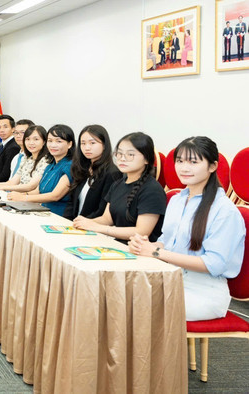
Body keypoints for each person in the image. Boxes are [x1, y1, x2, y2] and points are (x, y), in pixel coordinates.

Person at [128, 136, 246, 321]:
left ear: (212, 166)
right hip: (172, 279)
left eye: (193, 162)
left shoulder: (224, 210)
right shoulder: (177, 200)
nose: (184, 167)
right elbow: (167, 242)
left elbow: (213, 264)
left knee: (138, 309)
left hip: (205, 293)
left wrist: (156, 253)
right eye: (180, 161)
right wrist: (146, 245)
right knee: (119, 297)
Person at [74, 132, 165, 242]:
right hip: (117, 246)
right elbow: (107, 219)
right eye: (119, 154)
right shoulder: (117, 184)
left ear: (146, 159)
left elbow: (142, 232)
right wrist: (86, 222)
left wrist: (99, 228)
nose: (122, 158)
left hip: (139, 252)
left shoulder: (152, 190)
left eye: (130, 155)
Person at [7, 124, 75, 216]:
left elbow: (55, 196)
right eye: (50, 141)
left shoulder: (70, 166)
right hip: (42, 211)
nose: (53, 145)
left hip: (59, 215)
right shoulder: (50, 165)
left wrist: (23, 198)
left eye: (58, 141)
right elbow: (38, 190)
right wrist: (19, 196)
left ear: (70, 144)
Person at [63, 125, 120, 220]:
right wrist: (66, 222)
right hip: (75, 225)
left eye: (92, 143)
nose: (87, 148)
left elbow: (102, 210)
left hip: (94, 226)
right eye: (83, 143)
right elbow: (72, 201)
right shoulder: (82, 168)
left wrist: (83, 223)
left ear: (104, 145)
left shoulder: (112, 173)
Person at [0, 125, 49, 192]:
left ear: (44, 142)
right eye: (28, 139)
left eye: (36, 139)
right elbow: (12, 182)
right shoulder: (26, 158)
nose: (31, 143)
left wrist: (1, 187)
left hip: (29, 198)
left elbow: (30, 186)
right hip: (17, 197)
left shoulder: (45, 160)